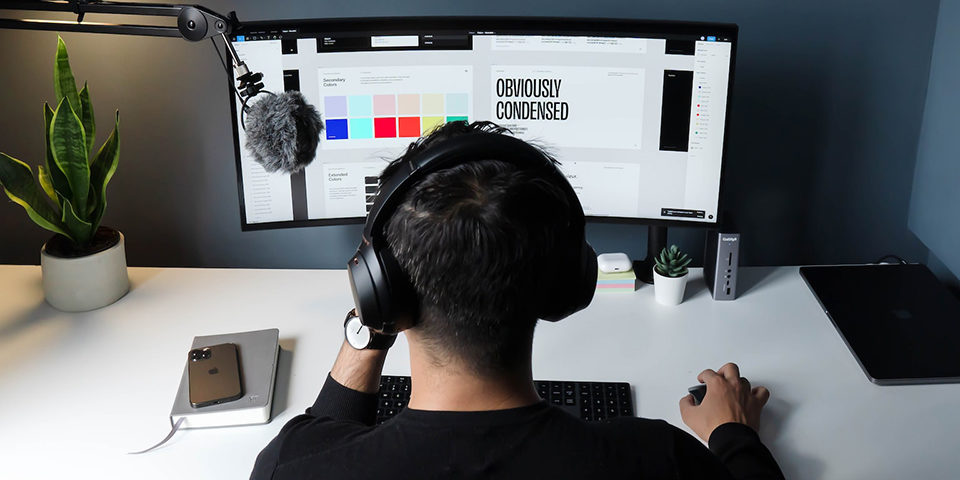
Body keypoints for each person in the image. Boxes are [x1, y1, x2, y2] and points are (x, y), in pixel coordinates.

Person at [251, 122, 784, 479]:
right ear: (568, 285)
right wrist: (733, 434)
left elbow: (326, 438)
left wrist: (367, 329)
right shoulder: (653, 459)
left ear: (379, 290)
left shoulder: (294, 467)